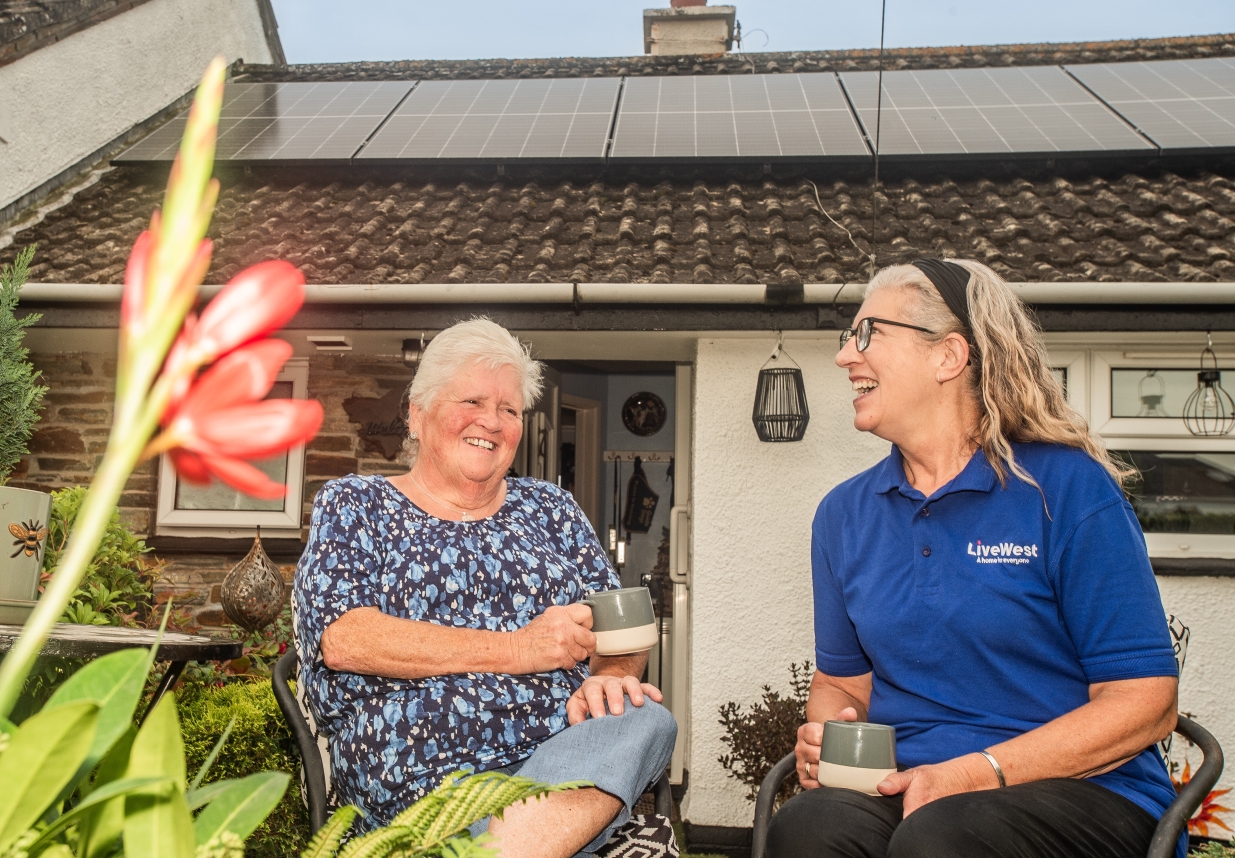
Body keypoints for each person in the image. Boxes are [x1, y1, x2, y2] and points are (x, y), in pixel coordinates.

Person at [767, 259, 1182, 858]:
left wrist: (974, 772)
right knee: (806, 828)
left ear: (948, 356)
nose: (844, 357)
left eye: (868, 334)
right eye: (846, 338)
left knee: (943, 837)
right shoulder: (844, 515)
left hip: (1085, 790)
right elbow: (841, 684)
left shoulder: (1067, 491)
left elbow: (1145, 702)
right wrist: (833, 735)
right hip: (914, 787)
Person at [292, 318, 676, 858]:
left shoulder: (552, 511)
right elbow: (345, 639)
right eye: (471, 400)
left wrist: (608, 678)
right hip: (424, 773)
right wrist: (518, 649)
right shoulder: (357, 505)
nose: (491, 423)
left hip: (562, 760)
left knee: (647, 719)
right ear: (418, 415)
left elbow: (622, 625)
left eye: (509, 410)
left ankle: (499, 847)